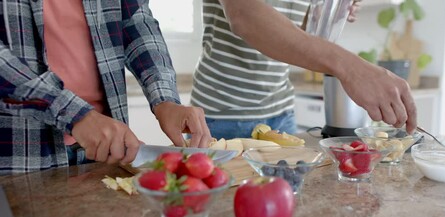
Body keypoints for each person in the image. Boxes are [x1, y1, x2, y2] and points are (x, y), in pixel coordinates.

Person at [0, 0, 211, 175]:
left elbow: (136, 22)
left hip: (106, 153)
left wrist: (165, 98)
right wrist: (76, 115)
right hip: (20, 157)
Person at [191, 0, 417, 140]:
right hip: (222, 117)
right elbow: (244, 15)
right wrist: (352, 68)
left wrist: (330, 12)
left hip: (282, 113)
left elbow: (294, 30)